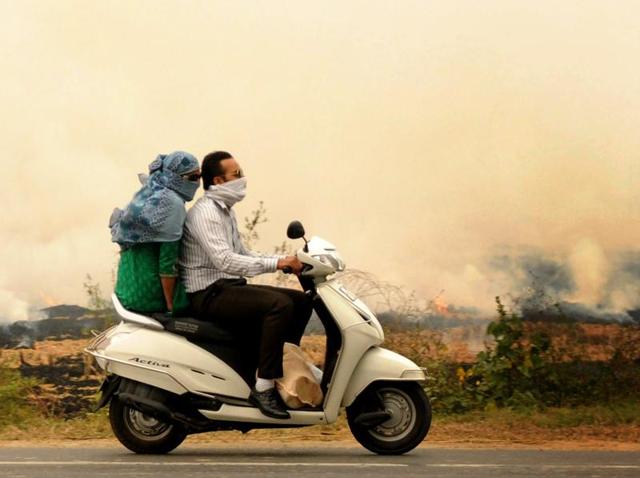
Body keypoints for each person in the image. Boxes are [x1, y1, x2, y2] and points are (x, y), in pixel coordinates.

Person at [179, 151, 312, 419]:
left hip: (227, 287)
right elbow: (226, 261)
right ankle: (263, 387)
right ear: (218, 180)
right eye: (236, 174)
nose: (242, 179)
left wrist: (286, 259)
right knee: (280, 306)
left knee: (301, 301)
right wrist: (276, 264)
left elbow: (244, 252)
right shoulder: (206, 214)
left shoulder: (225, 211)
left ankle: (282, 370)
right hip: (208, 293)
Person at [110, 151, 201, 316]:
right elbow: (167, 264)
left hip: (125, 291)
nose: (198, 183)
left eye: (200, 176)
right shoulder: (173, 205)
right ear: (176, 177)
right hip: (150, 297)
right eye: (193, 178)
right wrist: (171, 307)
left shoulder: (148, 195)